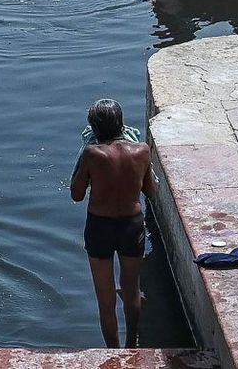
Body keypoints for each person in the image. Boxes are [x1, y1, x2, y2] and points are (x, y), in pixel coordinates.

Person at [70, 99, 159, 349]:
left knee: (106, 299)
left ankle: (114, 352)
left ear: (95, 128)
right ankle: (132, 346)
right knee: (132, 292)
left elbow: (76, 195)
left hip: (100, 227)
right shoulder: (141, 150)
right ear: (121, 124)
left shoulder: (91, 153)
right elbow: (150, 191)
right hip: (132, 226)